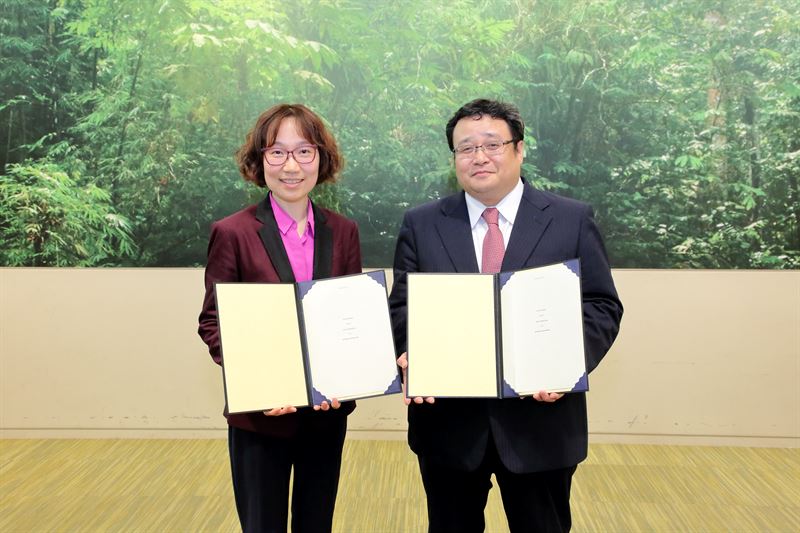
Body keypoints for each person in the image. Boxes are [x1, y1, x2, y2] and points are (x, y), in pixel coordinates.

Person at [388, 98, 623, 532]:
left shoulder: (570, 219)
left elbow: (601, 305)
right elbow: (402, 306)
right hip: (448, 427)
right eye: (465, 148)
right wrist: (409, 351)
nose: (479, 157)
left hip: (541, 427)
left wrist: (564, 365)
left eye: (492, 144)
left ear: (519, 148)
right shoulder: (422, 224)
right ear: (454, 158)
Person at [198, 103, 361, 532]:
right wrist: (260, 384)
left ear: (321, 159)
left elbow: (352, 318)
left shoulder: (343, 231)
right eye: (277, 152)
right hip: (260, 417)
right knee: (261, 524)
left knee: (316, 522)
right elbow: (213, 322)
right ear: (259, 161)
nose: (291, 166)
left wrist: (345, 379)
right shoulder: (232, 232)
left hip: (326, 413)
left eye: (304, 152)